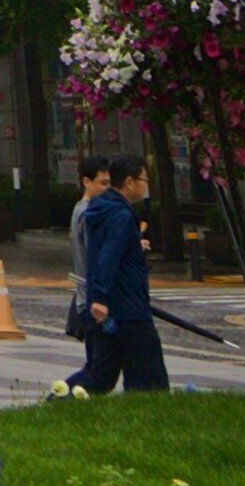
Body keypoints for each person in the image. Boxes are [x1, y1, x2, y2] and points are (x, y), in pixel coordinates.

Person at [72, 157, 168, 394]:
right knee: (150, 375)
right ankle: (60, 400)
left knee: (101, 374)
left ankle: (60, 399)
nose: (146, 185)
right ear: (129, 182)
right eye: (144, 179)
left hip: (112, 305)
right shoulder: (120, 216)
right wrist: (101, 298)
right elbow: (108, 258)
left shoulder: (102, 211)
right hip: (127, 306)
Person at [63, 154, 118, 393]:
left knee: (98, 369)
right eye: (103, 183)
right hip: (94, 301)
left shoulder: (82, 210)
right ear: (87, 181)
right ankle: (60, 396)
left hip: (88, 298)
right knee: (98, 373)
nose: (107, 189)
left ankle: (62, 396)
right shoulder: (89, 214)